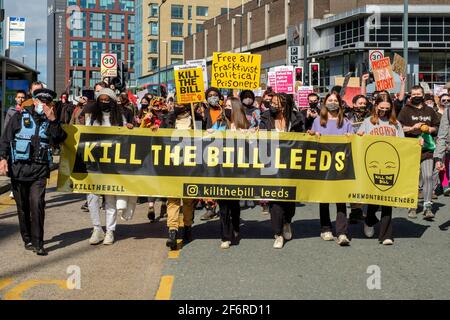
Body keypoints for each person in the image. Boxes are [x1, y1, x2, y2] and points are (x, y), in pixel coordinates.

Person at [0, 88, 67, 255]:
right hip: (19, 170)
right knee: (22, 207)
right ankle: (27, 238)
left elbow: (60, 139)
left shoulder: (51, 121)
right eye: (41, 102)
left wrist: (53, 120)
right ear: (35, 102)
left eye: (47, 103)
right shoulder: (19, 117)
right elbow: (6, 139)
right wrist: (2, 159)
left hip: (39, 170)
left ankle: (39, 243)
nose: (43, 105)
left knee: (37, 204)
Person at [85, 88, 137, 245]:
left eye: (107, 100)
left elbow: (125, 137)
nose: (104, 103)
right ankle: (96, 228)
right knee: (92, 197)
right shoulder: (92, 117)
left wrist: (129, 128)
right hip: (95, 163)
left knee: (110, 198)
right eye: (101, 100)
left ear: (113, 102)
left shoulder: (119, 117)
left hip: (113, 164)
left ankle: (110, 231)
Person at [357, 94, 405, 245]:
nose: (383, 110)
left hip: (390, 165)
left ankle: (386, 235)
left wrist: (417, 143)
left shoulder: (396, 123)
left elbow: (403, 143)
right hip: (372, 164)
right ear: (375, 106)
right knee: (373, 200)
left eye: (387, 108)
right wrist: (359, 135)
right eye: (381, 108)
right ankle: (370, 220)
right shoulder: (367, 122)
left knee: (387, 200)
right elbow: (358, 139)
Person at [260, 93, 305, 249]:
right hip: (271, 164)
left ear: (285, 104)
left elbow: (302, 138)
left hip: (290, 164)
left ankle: (287, 222)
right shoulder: (265, 117)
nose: (272, 105)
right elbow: (261, 136)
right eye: (271, 102)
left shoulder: (296, 118)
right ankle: (278, 233)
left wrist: (311, 134)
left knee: (289, 200)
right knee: (275, 201)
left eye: (276, 103)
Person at [308, 92, 353, 246]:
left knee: (341, 198)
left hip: (340, 164)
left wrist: (350, 136)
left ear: (340, 104)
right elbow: (312, 139)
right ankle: (325, 228)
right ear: (325, 103)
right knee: (325, 197)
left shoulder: (346, 122)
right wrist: (313, 134)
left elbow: (353, 141)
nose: (333, 102)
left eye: (335, 100)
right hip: (323, 163)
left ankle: (342, 232)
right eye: (330, 100)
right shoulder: (317, 121)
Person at [398, 85, 440, 220]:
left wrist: (430, 129)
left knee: (428, 176)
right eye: (414, 94)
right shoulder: (405, 110)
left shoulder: (430, 110)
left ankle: (427, 206)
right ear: (410, 95)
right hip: (410, 149)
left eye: (419, 94)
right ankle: (412, 206)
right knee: (412, 179)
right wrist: (412, 128)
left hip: (427, 149)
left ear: (423, 95)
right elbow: (398, 128)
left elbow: (438, 127)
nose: (416, 96)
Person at [162, 103, 197, 250]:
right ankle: (173, 231)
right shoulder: (168, 121)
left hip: (191, 165)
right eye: (177, 103)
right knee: (173, 199)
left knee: (188, 199)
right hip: (172, 165)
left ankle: (187, 226)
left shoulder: (197, 120)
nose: (179, 105)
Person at [217, 97, 249, 249]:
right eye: (225, 106)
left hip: (237, 171)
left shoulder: (245, 125)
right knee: (223, 205)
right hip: (221, 170)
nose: (226, 108)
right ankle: (225, 236)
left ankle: (235, 226)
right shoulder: (220, 124)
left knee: (234, 204)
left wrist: (245, 134)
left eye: (230, 106)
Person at [435, 93, 450, 197]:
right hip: (446, 146)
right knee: (444, 165)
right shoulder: (448, 111)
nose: (446, 102)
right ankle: (445, 185)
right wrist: (438, 158)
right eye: (443, 100)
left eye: (447, 100)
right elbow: (442, 135)